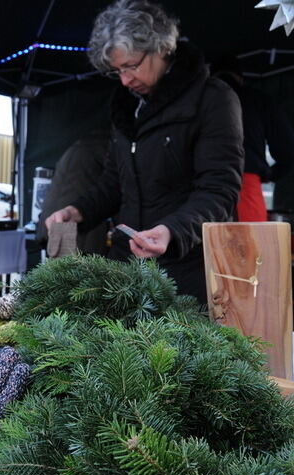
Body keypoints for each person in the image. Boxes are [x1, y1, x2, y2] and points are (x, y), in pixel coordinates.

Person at [45, 0, 243, 304]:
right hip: (127, 270)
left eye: (132, 66)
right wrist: (78, 211)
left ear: (161, 47)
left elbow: (219, 190)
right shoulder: (127, 106)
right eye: (117, 71)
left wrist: (171, 231)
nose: (125, 80)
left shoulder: (213, 99)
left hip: (188, 271)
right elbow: (114, 182)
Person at [213, 55, 294, 222]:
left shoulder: (197, 100)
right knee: (251, 245)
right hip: (246, 186)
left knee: (202, 245)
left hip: (199, 192)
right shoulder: (258, 100)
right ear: (241, 78)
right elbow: (292, 155)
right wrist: (268, 174)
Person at [36, 129, 111, 255]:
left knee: (59, 266)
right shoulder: (104, 148)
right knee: (72, 268)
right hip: (74, 228)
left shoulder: (79, 147)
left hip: (54, 221)